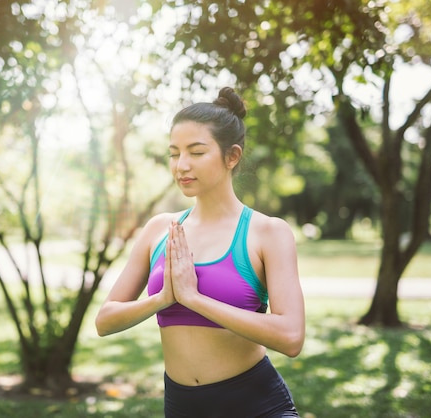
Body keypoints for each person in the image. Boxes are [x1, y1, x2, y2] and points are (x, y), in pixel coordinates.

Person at [95, 86, 305, 417]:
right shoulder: (159, 230)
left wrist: (194, 299)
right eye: (174, 153)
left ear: (231, 156)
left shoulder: (267, 232)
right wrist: (163, 298)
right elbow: (105, 321)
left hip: (257, 406)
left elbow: (291, 337)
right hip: (181, 408)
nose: (181, 165)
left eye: (196, 152)